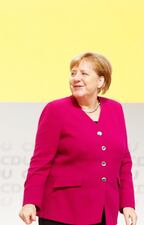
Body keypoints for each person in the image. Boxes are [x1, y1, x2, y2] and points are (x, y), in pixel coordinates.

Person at [19, 52, 137, 225]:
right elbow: (40, 161)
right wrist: (30, 202)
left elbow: (124, 162)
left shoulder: (115, 109)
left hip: (104, 212)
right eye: (73, 73)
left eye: (84, 73)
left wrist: (127, 204)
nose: (76, 78)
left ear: (101, 81)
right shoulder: (56, 110)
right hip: (62, 211)